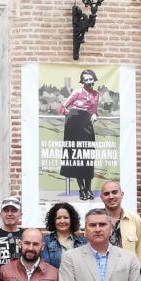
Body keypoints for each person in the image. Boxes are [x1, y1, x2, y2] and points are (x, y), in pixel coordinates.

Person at [57, 68, 99, 201]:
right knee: (76, 158)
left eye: (90, 79)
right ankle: (82, 189)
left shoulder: (96, 94)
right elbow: (62, 108)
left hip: (86, 125)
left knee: (87, 157)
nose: (88, 81)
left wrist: (94, 114)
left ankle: (88, 188)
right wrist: (71, 114)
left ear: (94, 79)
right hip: (74, 126)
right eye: (85, 79)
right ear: (82, 81)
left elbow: (94, 110)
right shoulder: (77, 92)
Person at [0, 196, 23, 266]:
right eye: (6, 210)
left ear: (20, 214)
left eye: (14, 210)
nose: (9, 214)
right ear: (0, 215)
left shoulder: (26, 235)